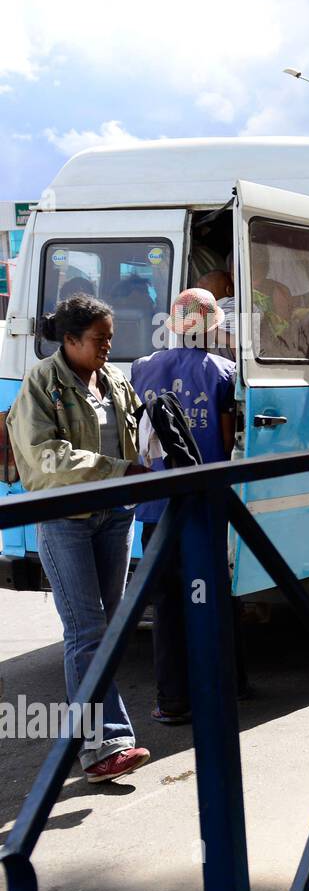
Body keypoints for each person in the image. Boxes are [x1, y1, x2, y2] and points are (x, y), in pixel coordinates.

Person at [6, 294, 152, 782]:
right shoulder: (41, 383)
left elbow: (137, 430)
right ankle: (104, 745)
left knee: (106, 630)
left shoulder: (112, 380)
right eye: (99, 340)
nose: (108, 347)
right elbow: (44, 458)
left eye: (111, 338)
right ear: (69, 340)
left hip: (115, 516)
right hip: (66, 520)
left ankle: (86, 738)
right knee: (87, 630)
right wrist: (118, 468)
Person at [131, 288, 239, 722]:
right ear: (213, 327)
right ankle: (218, 692)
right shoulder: (225, 372)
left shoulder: (141, 368)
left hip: (157, 506)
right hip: (204, 503)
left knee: (167, 605)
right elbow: (228, 443)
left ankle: (171, 701)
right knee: (209, 598)